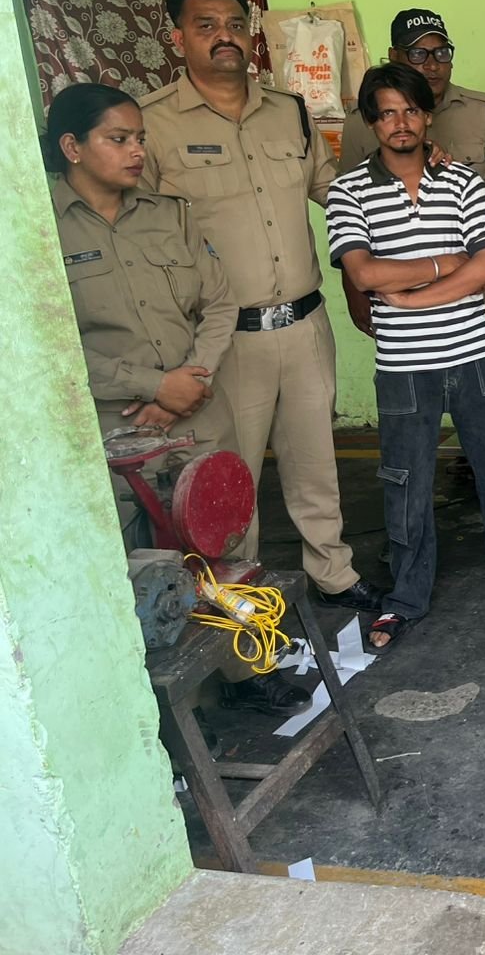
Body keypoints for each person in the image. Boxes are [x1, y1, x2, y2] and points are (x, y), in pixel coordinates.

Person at [46, 82, 309, 717]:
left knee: (223, 540)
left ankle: (247, 669)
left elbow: (219, 303)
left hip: (197, 409)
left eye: (139, 138)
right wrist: (149, 386)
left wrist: (190, 378)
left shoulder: (171, 214)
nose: (137, 151)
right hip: (117, 426)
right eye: (119, 139)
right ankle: (171, 712)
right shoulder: (40, 230)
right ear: (73, 147)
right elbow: (49, 342)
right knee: (138, 561)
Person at [139, 0, 383, 614]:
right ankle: (235, 595)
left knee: (315, 461)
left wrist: (409, 181)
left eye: (234, 23)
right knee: (228, 475)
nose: (224, 36)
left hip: (303, 323)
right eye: (206, 25)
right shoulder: (152, 124)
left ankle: (333, 571)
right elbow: (139, 235)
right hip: (224, 339)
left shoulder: (289, 111)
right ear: (178, 38)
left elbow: (334, 191)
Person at [327, 65, 485, 649]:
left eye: (411, 111)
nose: (401, 123)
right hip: (404, 366)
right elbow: (363, 273)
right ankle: (407, 597)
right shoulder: (348, 192)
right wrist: (446, 264)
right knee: (406, 483)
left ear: (427, 116)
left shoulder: (464, 181)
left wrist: (411, 294)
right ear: (372, 122)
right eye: (387, 113)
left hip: (477, 356)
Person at [337, 9, 485, 339]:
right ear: (394, 56)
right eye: (418, 54)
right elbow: (350, 215)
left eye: (441, 53)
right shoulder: (362, 121)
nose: (431, 65)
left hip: (476, 282)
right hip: (394, 285)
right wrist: (354, 288)